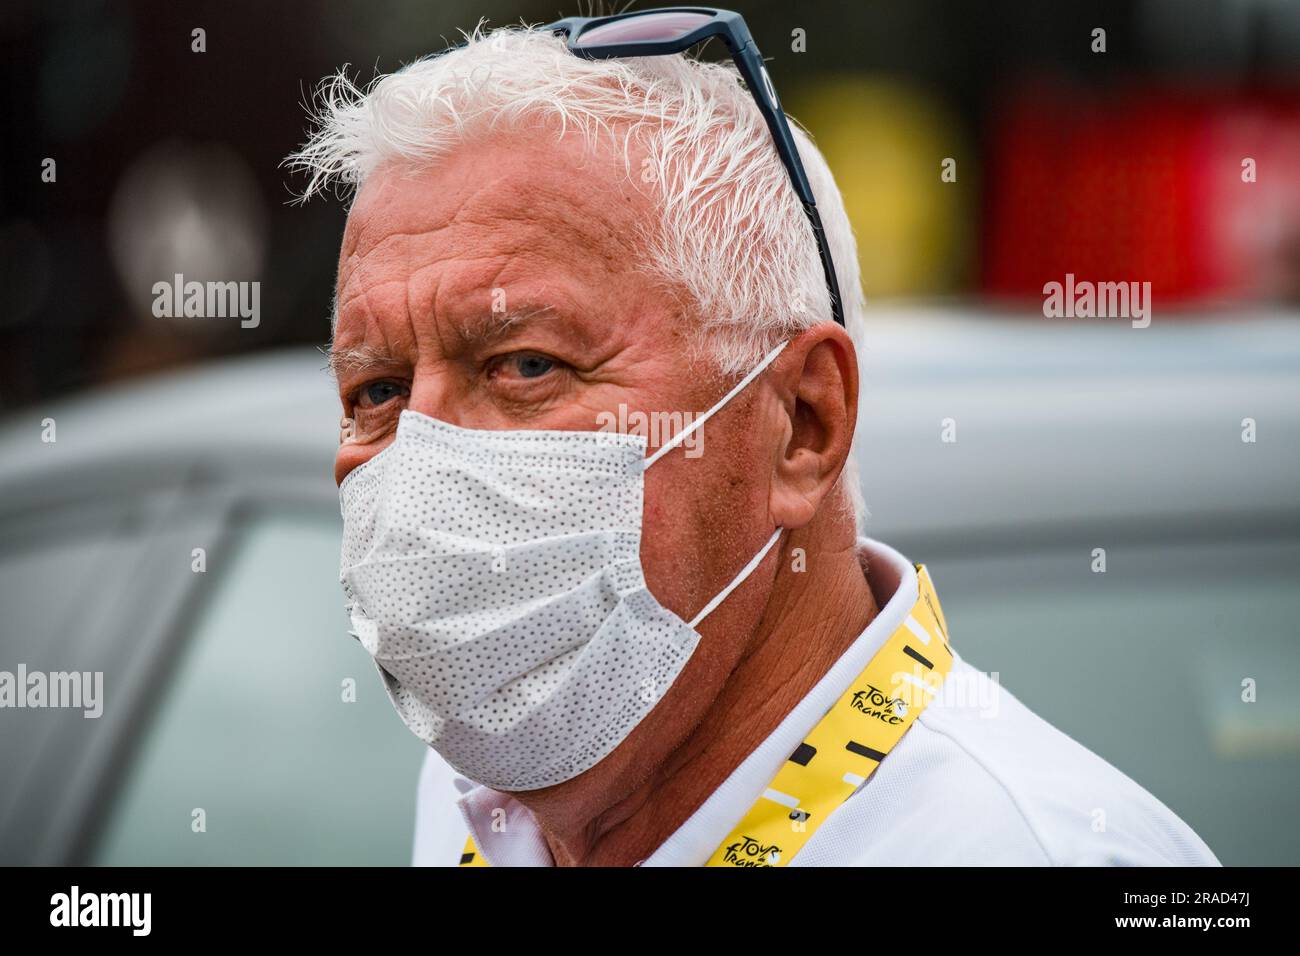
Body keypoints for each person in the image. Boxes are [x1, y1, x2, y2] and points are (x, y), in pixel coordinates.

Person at [287, 12, 1219, 867]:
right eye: (377, 390)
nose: (424, 460)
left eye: (527, 366)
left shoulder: (1035, 852)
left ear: (803, 424)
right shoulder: (474, 803)